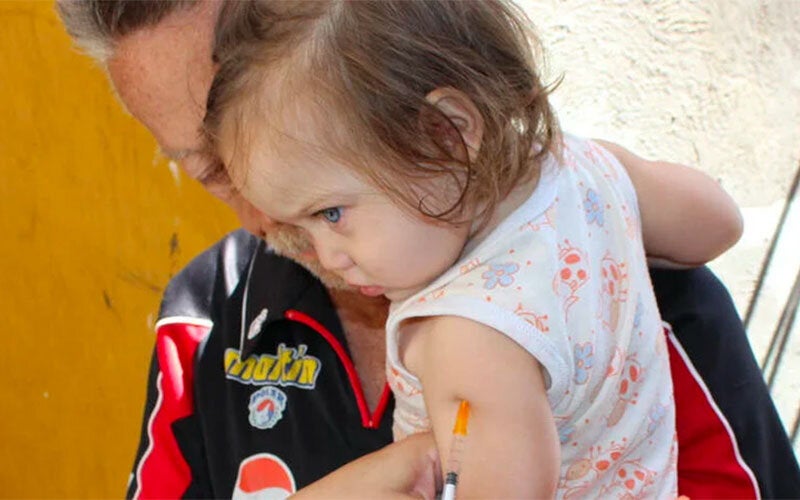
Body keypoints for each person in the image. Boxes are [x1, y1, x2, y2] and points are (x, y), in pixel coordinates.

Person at [55, 0, 800, 498]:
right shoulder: (203, 317)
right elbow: (713, 217)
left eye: (323, 199)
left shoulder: (631, 298)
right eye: (214, 170)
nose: (266, 216)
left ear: (437, 128)